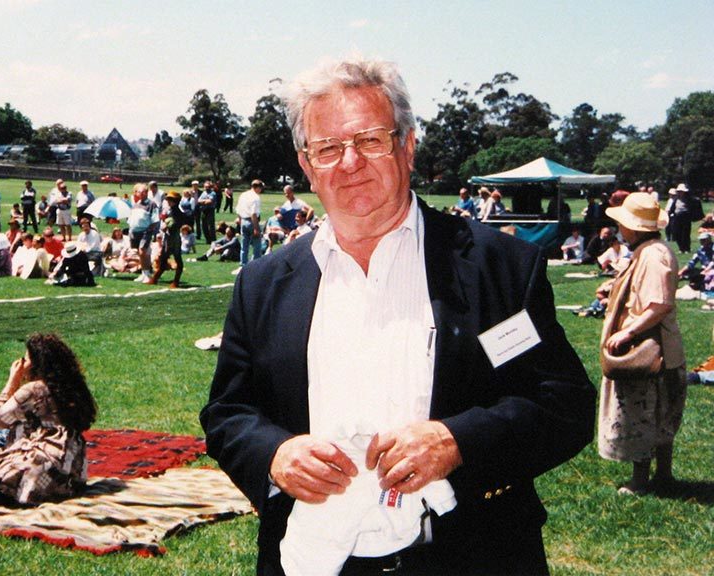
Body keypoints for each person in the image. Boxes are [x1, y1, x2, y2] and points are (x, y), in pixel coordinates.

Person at [200, 55, 595, 576]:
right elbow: (228, 414)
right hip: (311, 562)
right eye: (328, 148)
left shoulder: (498, 267)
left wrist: (458, 441)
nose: (350, 163)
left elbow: (565, 404)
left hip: (472, 555)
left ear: (407, 146)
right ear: (306, 165)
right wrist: (275, 455)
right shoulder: (264, 284)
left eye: (370, 140)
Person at [598, 192, 686, 496]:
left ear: (634, 228)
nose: (620, 230)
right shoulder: (645, 251)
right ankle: (662, 476)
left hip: (652, 349)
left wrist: (628, 332)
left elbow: (658, 304)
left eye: (623, 224)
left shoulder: (653, 254)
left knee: (645, 411)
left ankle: (642, 480)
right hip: (654, 347)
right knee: (657, 413)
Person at [0, 333, 96, 514]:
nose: (22, 364)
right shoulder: (72, 387)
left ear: (37, 363)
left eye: (26, 359)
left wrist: (12, 381)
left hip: (43, 457)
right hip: (73, 467)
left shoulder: (34, 390)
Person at [236, 179, 263, 267]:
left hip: (243, 220)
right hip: (252, 221)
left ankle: (243, 264)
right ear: (258, 187)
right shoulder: (255, 197)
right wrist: (256, 228)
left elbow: (238, 209)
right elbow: (253, 213)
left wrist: (240, 220)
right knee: (257, 245)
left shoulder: (243, 195)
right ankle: (256, 264)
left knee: (244, 245)